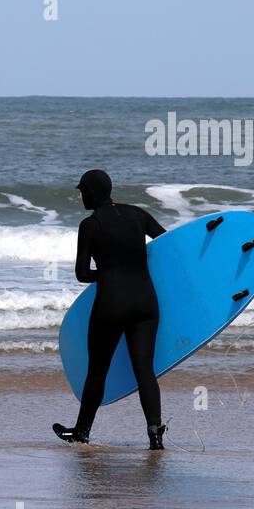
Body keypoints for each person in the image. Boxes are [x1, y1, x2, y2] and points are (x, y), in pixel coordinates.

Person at [53, 169, 169, 450]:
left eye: (82, 191)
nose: (80, 196)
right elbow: (169, 245)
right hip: (145, 301)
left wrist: (106, 272)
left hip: (111, 304)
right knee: (144, 370)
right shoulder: (138, 214)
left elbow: (82, 273)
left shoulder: (90, 225)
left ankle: (81, 431)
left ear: (92, 193)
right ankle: (155, 435)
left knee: (97, 371)